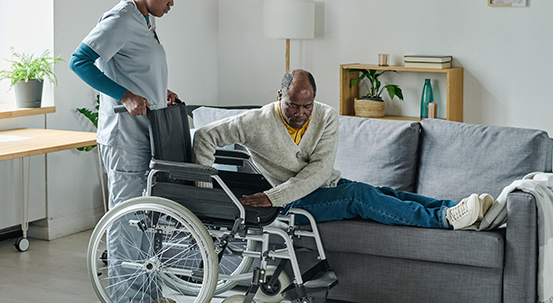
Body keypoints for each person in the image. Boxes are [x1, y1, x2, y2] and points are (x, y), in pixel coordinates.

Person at [193, 69, 494, 230]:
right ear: (279, 96)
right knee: (359, 197)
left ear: (315, 100)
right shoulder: (254, 122)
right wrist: (206, 191)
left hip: (319, 186)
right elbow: (204, 137)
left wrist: (272, 195)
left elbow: (320, 170)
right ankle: (445, 220)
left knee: (384, 193)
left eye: (306, 105)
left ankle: (456, 208)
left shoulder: (325, 116)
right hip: (287, 204)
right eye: (292, 105)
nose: (300, 112)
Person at [69, 0, 180, 303]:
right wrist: (126, 95)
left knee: (144, 215)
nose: (171, 4)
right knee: (126, 216)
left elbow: (135, 67)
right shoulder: (119, 18)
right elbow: (79, 61)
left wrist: (157, 89)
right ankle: (128, 299)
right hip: (124, 136)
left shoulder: (145, 20)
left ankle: (147, 292)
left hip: (145, 133)